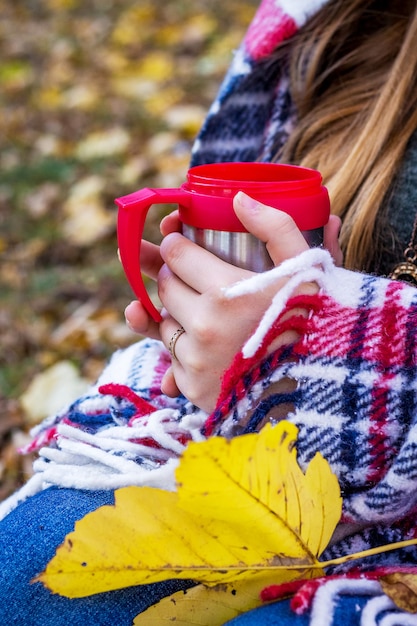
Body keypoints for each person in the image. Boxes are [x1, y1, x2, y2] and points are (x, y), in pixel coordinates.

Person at [3, 0, 417, 624]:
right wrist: (217, 340)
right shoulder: (346, 38)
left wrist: (326, 357)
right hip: (268, 467)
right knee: (28, 571)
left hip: (386, 540)